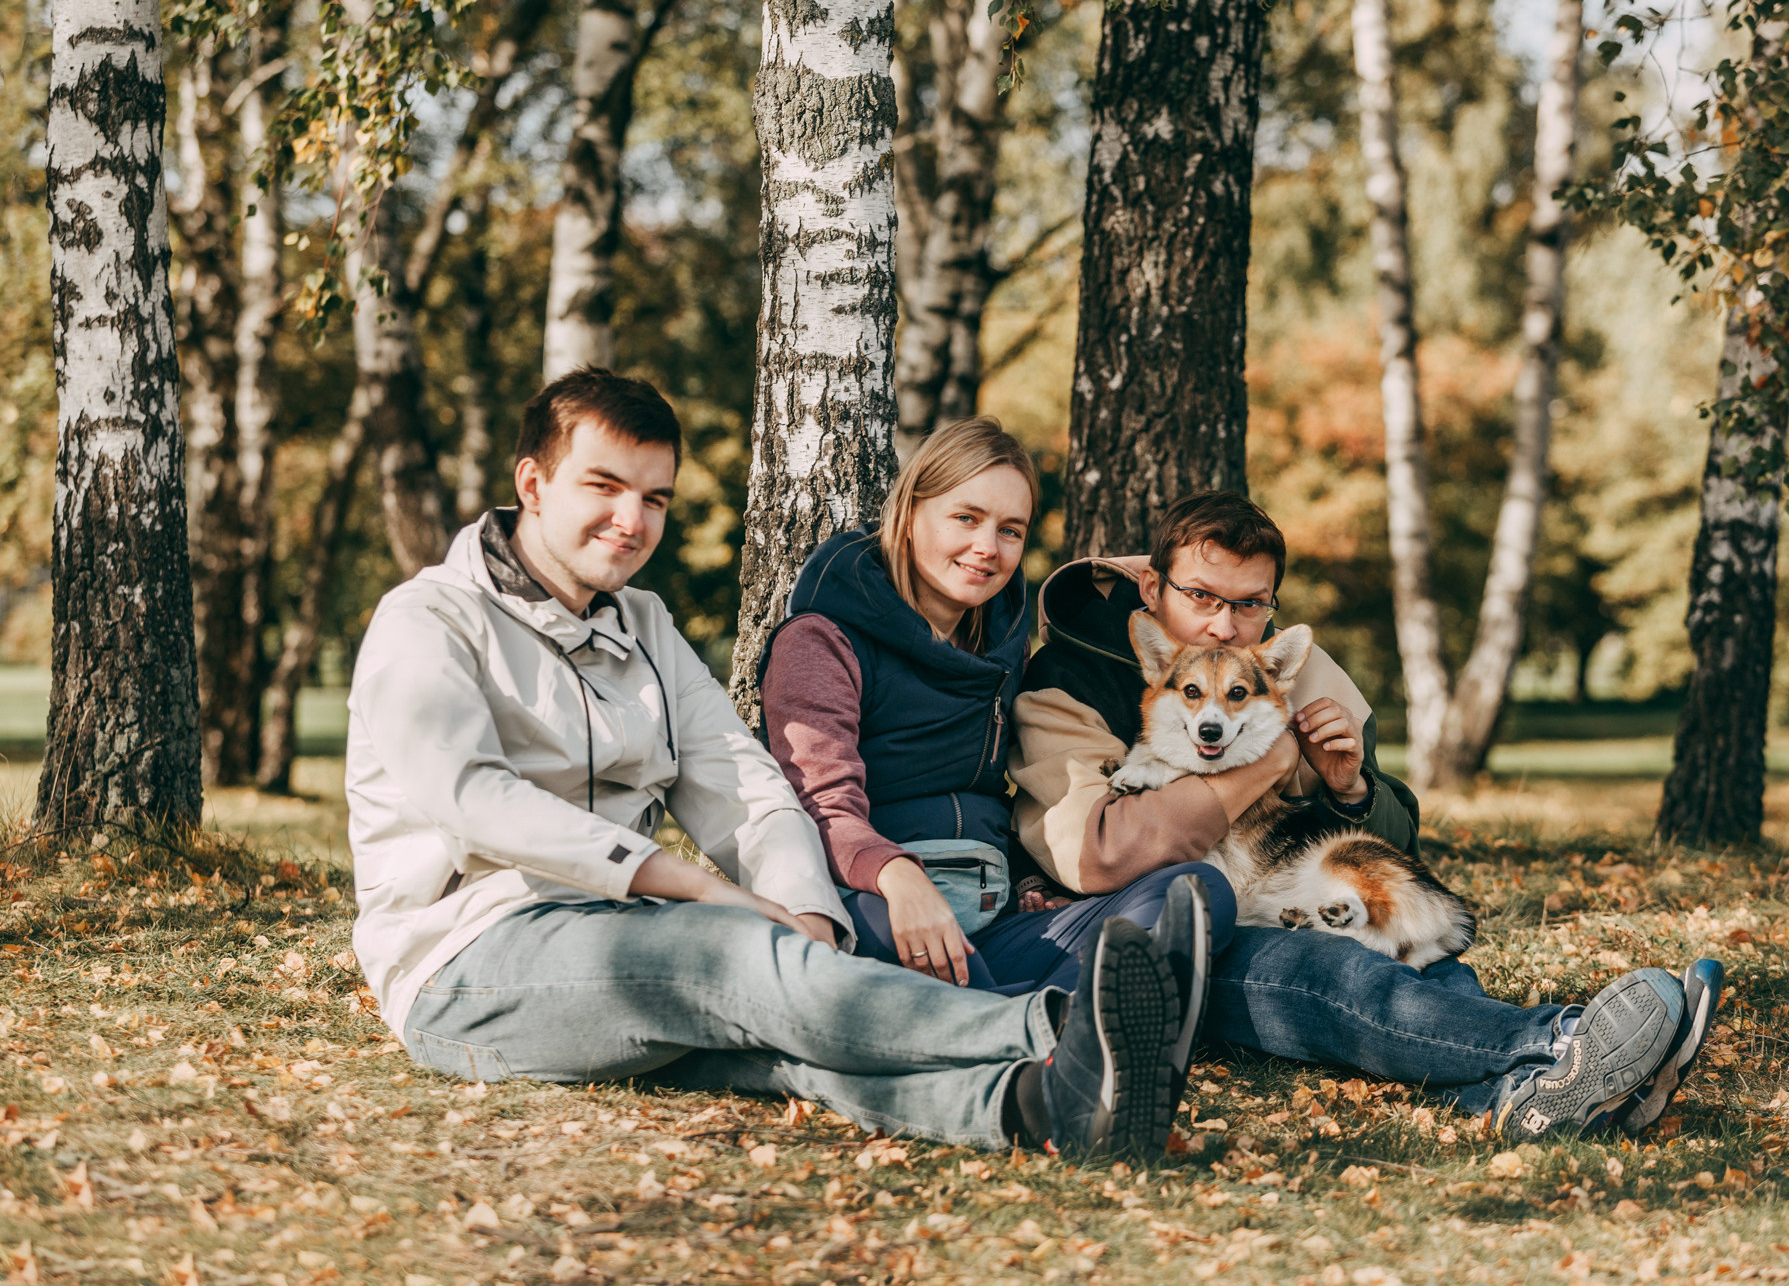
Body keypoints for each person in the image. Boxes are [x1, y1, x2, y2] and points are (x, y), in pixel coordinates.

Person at [343, 368, 1200, 1157]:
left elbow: (745, 783)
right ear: (533, 484)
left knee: (787, 1045)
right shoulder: (429, 620)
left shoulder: (641, 624)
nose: (632, 520)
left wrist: (807, 913)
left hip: (620, 944)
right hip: (467, 964)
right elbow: (477, 799)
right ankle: (1060, 1031)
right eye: (603, 487)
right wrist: (704, 890)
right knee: (735, 958)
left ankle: (1044, 1108)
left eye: (654, 498)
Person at [1011, 489, 1726, 1139]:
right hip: (1173, 930)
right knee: (1330, 972)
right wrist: (1268, 760)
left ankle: (1535, 1097)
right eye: (1201, 595)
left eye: (1251, 603)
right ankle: (1565, 1041)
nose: (1226, 626)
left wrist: (1350, 789)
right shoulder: (1066, 683)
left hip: (1300, 890)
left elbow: (1392, 851)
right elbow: (1099, 849)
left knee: (1410, 960)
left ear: (1272, 602)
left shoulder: (1305, 670)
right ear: (1151, 586)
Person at [758, 418, 1225, 1099]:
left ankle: (1052, 1027)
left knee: (1194, 890)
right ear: (911, 512)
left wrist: (1032, 872)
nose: (987, 547)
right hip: (875, 904)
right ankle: (1059, 1045)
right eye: (966, 517)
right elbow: (818, 803)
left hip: (991, 907)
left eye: (1010, 529)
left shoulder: (1004, 641)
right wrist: (897, 877)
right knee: (911, 957)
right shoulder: (823, 637)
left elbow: (1010, 784)